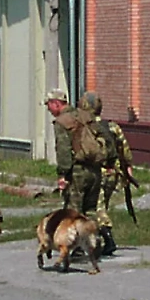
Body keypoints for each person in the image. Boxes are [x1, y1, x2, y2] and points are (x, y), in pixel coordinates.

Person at [78, 91, 133, 256]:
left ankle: (108, 239)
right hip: (112, 173)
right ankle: (98, 240)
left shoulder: (85, 126)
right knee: (103, 205)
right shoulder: (112, 126)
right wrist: (127, 168)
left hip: (97, 171)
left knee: (97, 207)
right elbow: (124, 149)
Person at [45, 88, 104, 217]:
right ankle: (93, 235)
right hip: (95, 169)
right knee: (91, 211)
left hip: (77, 172)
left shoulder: (62, 121)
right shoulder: (86, 116)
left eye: (48, 104)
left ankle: (78, 237)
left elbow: (63, 150)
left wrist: (63, 175)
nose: (48, 109)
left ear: (56, 103)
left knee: (73, 213)